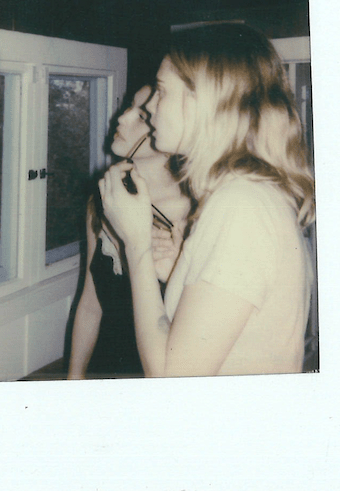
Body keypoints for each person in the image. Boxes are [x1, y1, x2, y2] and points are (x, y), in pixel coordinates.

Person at [98, 23, 315, 378]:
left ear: (205, 101)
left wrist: (136, 244)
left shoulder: (241, 207)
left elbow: (172, 378)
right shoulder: (241, 195)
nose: (150, 107)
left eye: (161, 91)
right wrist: (180, 271)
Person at [67, 85, 191, 379]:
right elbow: (90, 303)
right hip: (105, 370)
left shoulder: (195, 215)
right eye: (128, 107)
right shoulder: (105, 201)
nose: (121, 119)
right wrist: (74, 376)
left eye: (142, 115)